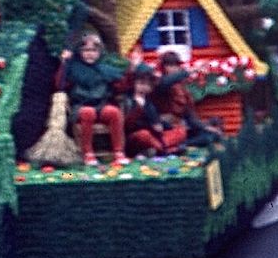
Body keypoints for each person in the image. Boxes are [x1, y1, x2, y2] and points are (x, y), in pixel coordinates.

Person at [58, 33, 128, 166]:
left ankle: (119, 151)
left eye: (93, 50)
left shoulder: (106, 69)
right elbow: (59, 85)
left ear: (99, 52)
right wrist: (64, 64)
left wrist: (131, 71)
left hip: (101, 104)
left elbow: (121, 86)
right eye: (86, 50)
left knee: (113, 112)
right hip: (80, 106)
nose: (90, 54)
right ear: (80, 52)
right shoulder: (73, 68)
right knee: (88, 112)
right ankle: (88, 153)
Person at [153, 51, 224, 147]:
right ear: (164, 67)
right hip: (165, 128)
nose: (174, 69)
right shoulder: (159, 83)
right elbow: (167, 81)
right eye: (170, 65)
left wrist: (207, 128)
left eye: (176, 65)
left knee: (213, 129)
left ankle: (185, 143)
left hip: (182, 127)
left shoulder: (182, 89)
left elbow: (190, 117)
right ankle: (181, 144)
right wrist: (192, 70)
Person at [123, 63, 187, 157]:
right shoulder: (128, 99)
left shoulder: (149, 101)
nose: (144, 87)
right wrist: (151, 125)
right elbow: (128, 125)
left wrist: (163, 126)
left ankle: (158, 148)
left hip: (155, 135)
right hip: (136, 136)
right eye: (141, 83)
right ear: (135, 83)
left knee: (180, 131)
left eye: (147, 85)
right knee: (143, 135)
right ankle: (164, 150)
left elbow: (156, 121)